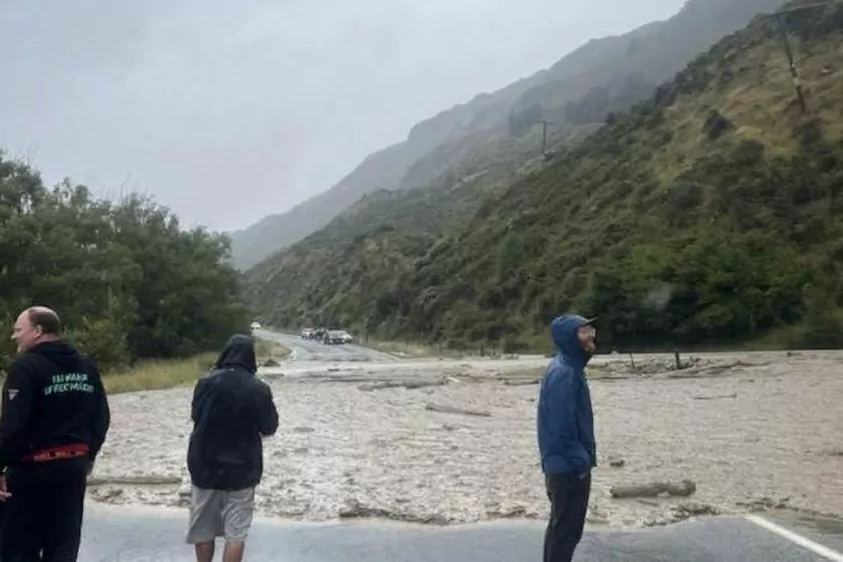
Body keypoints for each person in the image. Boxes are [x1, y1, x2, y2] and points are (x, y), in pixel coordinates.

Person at [0, 306, 111, 562]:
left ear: (37, 331)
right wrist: (88, 455)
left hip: (31, 472)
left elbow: (13, 426)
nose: (14, 337)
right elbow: (101, 417)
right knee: (62, 546)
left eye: (18, 330)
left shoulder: (26, 368)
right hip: (73, 469)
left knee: (17, 548)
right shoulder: (85, 365)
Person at [186, 334, 279, 562]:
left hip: (205, 468)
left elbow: (195, 416)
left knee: (203, 530)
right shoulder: (259, 389)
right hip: (243, 471)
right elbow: (269, 428)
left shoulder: (205, 383)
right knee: (236, 534)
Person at [536, 314, 597, 562]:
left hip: (565, 463)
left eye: (590, 329)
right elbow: (561, 427)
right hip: (567, 467)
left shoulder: (570, 367)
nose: (590, 334)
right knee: (565, 532)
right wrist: (581, 461)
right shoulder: (564, 373)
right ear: (568, 338)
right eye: (582, 331)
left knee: (563, 530)